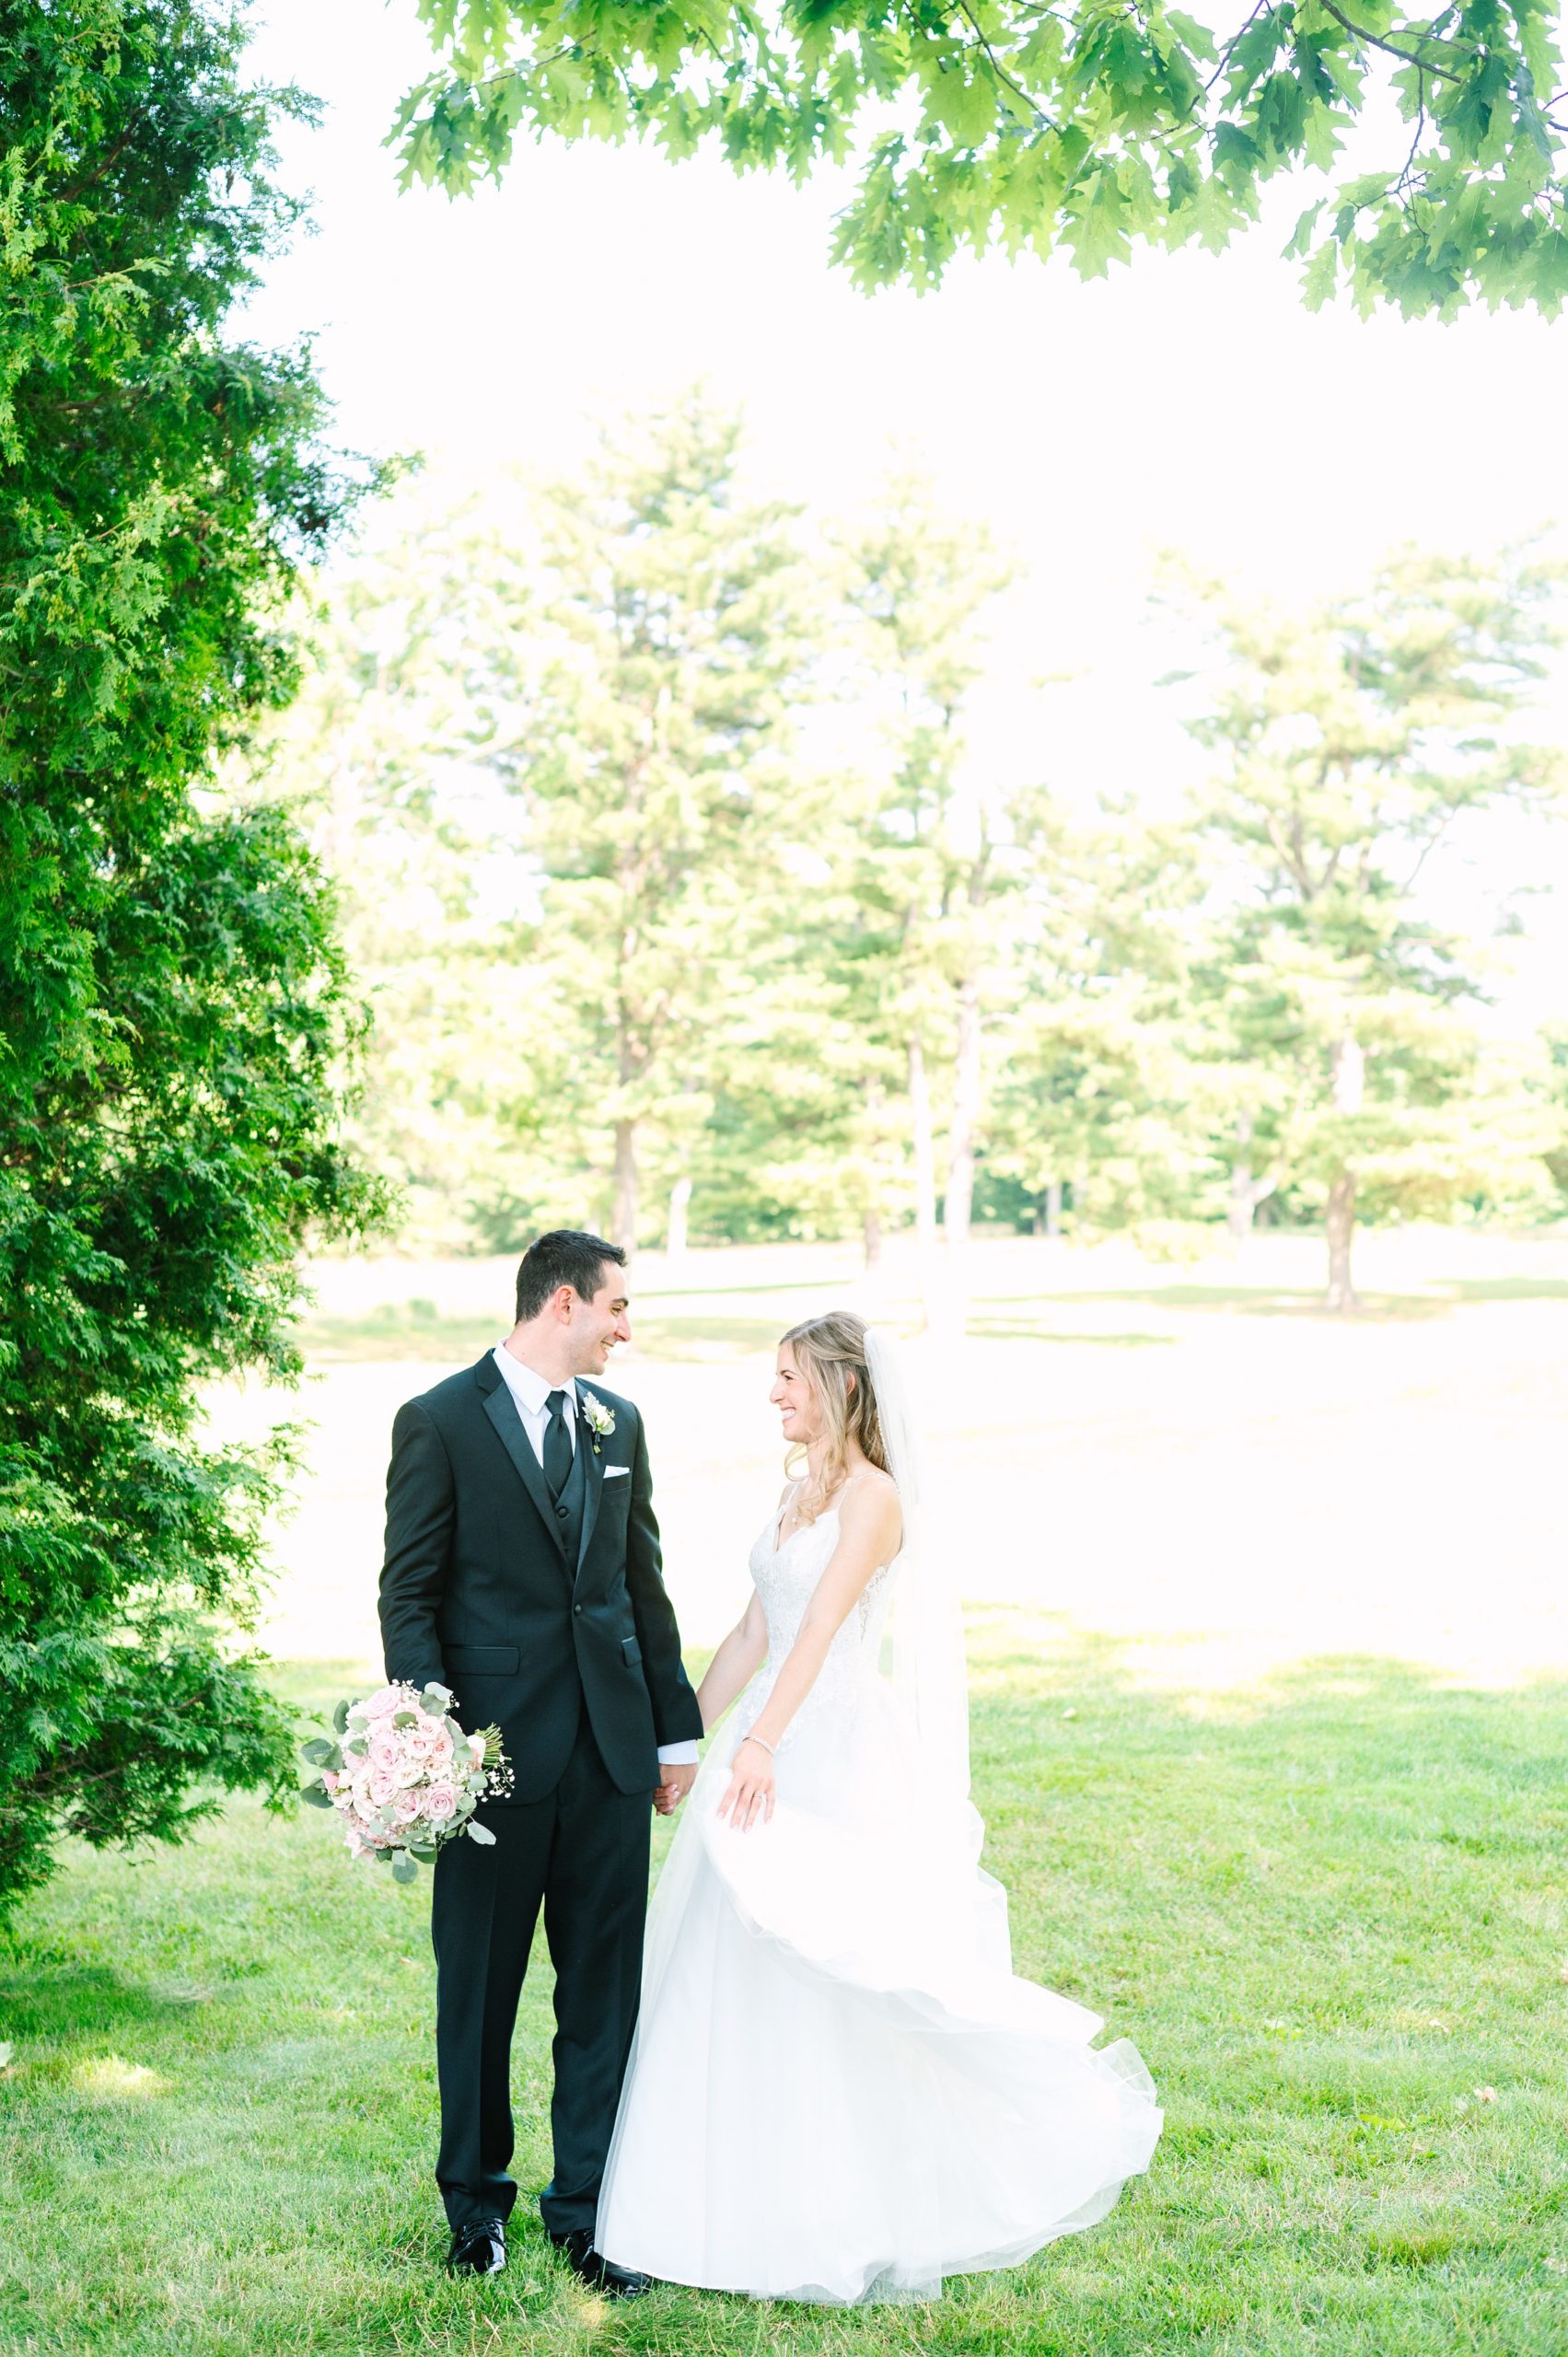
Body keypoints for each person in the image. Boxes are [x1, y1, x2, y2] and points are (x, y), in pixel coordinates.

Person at [596, 1310, 1162, 2304]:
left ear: (841, 1387)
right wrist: (682, 1742)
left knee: (832, 1959)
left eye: (788, 1378)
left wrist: (763, 1743)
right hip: (762, 1740)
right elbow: (749, 1632)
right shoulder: (792, 1496)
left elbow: (819, 1626)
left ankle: (835, 2208)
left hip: (830, 1754)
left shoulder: (873, 1499)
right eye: (771, 1378)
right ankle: (709, 2194)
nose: (772, 1394)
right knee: (724, 1958)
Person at [378, 1230, 703, 2293]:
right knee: (476, 1994)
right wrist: (433, 1745)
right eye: (617, 1307)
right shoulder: (437, 1420)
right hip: (491, 1766)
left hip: (610, 1758)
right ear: (562, 1302)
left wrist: (671, 1731)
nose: (625, 1327)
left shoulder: (620, 1423)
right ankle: (475, 2209)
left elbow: (636, 1585)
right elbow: (409, 1594)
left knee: (601, 1997)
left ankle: (591, 2211)